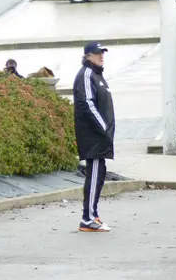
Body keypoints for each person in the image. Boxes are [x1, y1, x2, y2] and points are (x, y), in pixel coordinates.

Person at [74, 42, 115, 233]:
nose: (101, 56)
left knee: (98, 174)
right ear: (87, 56)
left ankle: (92, 214)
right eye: (97, 53)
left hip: (100, 136)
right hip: (94, 136)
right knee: (94, 174)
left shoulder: (97, 75)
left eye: (102, 53)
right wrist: (104, 128)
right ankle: (88, 217)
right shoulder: (87, 74)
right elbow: (87, 104)